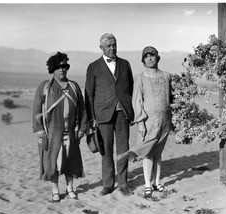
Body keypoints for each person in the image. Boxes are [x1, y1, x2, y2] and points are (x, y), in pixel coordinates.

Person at [32, 52, 86, 203]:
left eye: (65, 66)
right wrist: (40, 129)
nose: (62, 70)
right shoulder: (45, 87)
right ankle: (55, 191)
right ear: (52, 69)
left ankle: (70, 188)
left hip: (72, 132)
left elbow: (83, 109)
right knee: (53, 162)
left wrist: (82, 128)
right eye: (58, 67)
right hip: (52, 133)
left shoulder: (74, 86)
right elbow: (36, 109)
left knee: (70, 161)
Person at [118, 46, 171, 198]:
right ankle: (148, 184)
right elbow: (137, 100)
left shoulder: (167, 76)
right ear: (143, 60)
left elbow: (171, 98)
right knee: (147, 153)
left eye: (152, 55)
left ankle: (157, 181)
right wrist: (140, 123)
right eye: (146, 56)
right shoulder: (140, 78)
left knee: (158, 153)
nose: (149, 58)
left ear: (157, 58)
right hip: (148, 121)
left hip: (164, 120)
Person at [85, 33, 135, 196]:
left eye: (114, 45)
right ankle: (108, 184)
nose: (112, 48)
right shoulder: (93, 67)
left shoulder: (125, 64)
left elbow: (131, 90)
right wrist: (92, 118)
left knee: (123, 149)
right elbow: (89, 94)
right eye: (108, 46)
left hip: (123, 114)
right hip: (103, 114)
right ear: (101, 48)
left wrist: (131, 111)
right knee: (105, 150)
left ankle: (123, 184)